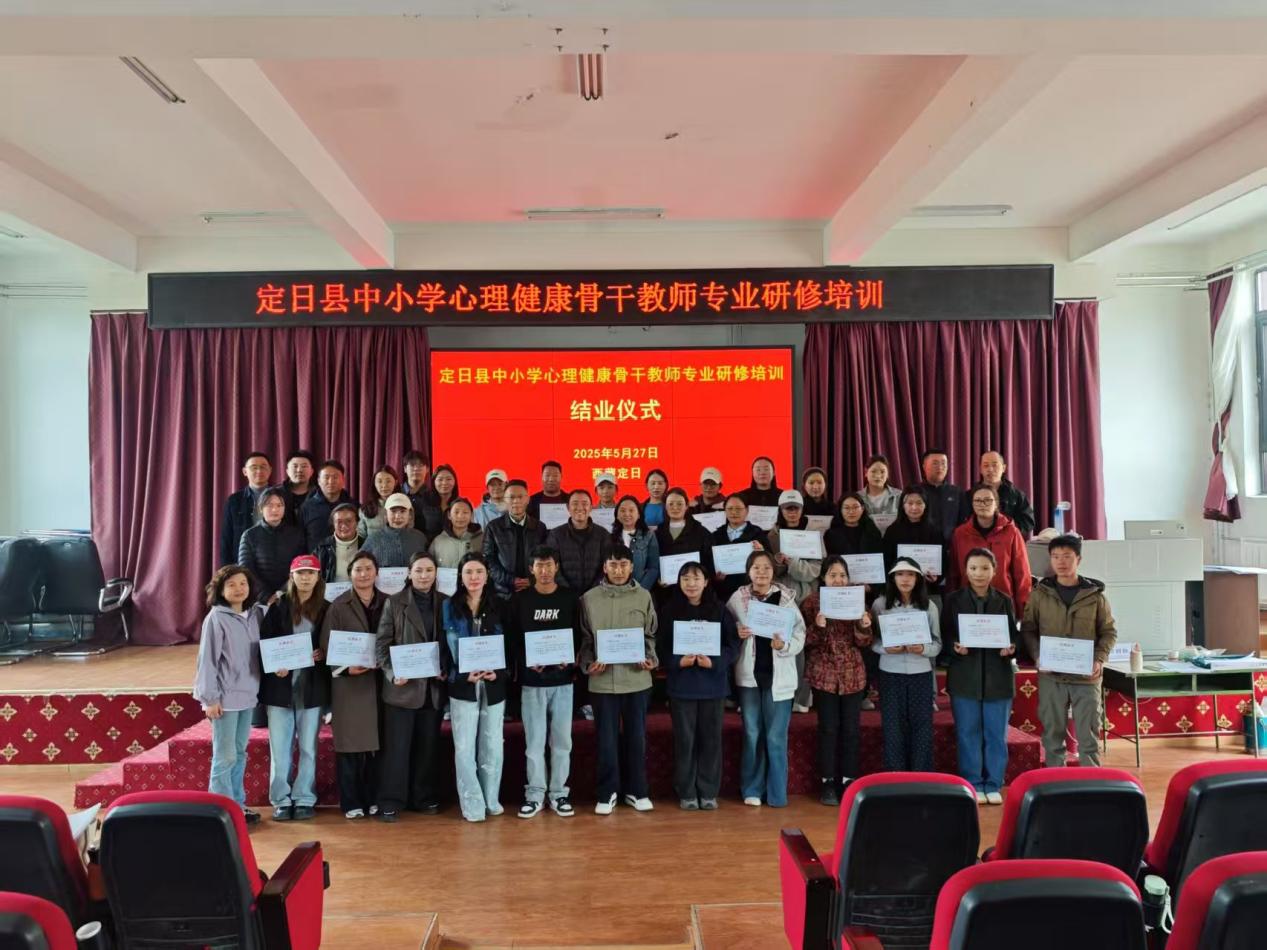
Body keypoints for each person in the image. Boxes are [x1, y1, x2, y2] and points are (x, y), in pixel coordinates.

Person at [1020, 534, 1117, 769]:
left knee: (1089, 736)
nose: (1061, 562)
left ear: (1078, 559)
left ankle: (1091, 782)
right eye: (1055, 557)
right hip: (1051, 676)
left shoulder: (1095, 596)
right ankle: (1056, 781)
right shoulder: (1039, 594)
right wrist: (1037, 656)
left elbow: (1109, 632)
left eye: (1067, 556)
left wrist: (1099, 659)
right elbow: (1029, 629)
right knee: (1052, 736)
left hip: (1086, 677)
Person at [578, 544, 658, 815]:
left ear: (632, 567)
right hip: (602, 681)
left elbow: (650, 635)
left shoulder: (644, 596)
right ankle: (607, 792)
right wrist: (588, 664)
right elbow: (586, 639)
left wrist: (650, 658)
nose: (619, 570)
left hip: (637, 679)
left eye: (624, 565)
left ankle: (637, 791)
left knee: (637, 738)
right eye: (613, 565)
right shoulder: (589, 598)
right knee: (606, 739)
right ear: (605, 567)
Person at [506, 545, 580, 819]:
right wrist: (527, 660)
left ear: (556, 567)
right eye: (539, 566)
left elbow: (578, 635)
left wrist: (569, 659)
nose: (545, 571)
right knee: (535, 743)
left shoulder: (570, 598)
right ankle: (535, 794)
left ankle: (559, 794)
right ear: (531, 569)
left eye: (549, 565)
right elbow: (513, 639)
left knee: (562, 742)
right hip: (532, 682)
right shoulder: (520, 600)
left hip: (563, 682)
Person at [728, 550, 805, 807]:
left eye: (766, 568)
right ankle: (752, 789)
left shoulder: (786, 599)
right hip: (749, 676)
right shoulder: (738, 598)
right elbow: (725, 629)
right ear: (748, 571)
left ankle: (776, 793)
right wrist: (736, 631)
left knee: (775, 736)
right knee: (752, 733)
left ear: (774, 571)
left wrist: (784, 646)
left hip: (779, 677)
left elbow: (800, 634)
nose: (761, 572)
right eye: (756, 568)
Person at [375, 551, 447, 820]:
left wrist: (446, 669)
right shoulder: (394, 603)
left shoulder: (446, 603)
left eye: (429, 570)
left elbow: (451, 643)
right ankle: (391, 800)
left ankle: (423, 798)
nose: (424, 575)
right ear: (409, 573)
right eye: (418, 570)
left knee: (427, 748)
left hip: (433, 689)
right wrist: (392, 672)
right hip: (402, 690)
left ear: (436, 573)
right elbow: (382, 644)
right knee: (397, 749)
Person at [661, 560, 738, 810]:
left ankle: (708, 791)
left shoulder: (720, 610)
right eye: (685, 579)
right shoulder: (669, 610)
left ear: (706, 582)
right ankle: (686, 792)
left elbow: (732, 646)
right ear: (679, 582)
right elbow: (660, 648)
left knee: (711, 741)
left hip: (713, 686)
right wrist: (677, 661)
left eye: (696, 578)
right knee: (685, 741)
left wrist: (714, 662)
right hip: (682, 686)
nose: (691, 584)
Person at [942, 547, 1016, 804]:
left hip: (998, 676)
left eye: (985, 568)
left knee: (996, 734)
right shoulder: (952, 600)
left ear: (995, 571)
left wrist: (1011, 647)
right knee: (967, 733)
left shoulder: (1004, 600)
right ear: (965, 570)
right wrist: (954, 646)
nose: (979, 573)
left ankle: (993, 783)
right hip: (965, 675)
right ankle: (973, 782)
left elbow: (1013, 635)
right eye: (973, 568)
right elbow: (945, 634)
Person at [194, 565, 265, 824]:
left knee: (240, 752)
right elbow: (207, 661)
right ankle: (219, 810)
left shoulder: (255, 615)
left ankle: (237, 805)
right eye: (231, 584)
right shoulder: (216, 618)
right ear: (221, 589)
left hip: (248, 695)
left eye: (243, 583)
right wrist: (209, 699)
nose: (238, 589)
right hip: (224, 698)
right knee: (225, 756)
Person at [259, 555, 328, 822]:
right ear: (292, 576)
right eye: (301, 573)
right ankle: (281, 799)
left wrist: (324, 652)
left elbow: (332, 641)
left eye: (311, 573)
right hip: (281, 687)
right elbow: (265, 642)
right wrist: (274, 665)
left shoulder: (326, 607)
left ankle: (304, 798)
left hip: (312, 687)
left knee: (309, 747)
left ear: (318, 577)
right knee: (280, 749)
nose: (305, 577)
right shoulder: (278, 607)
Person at [800, 557, 873, 805]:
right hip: (824, 673)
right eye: (832, 575)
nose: (838, 580)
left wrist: (863, 626)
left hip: (853, 673)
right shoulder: (811, 603)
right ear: (823, 578)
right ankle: (828, 782)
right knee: (828, 728)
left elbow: (865, 642)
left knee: (851, 729)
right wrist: (818, 626)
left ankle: (849, 780)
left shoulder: (857, 601)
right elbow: (803, 641)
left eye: (842, 575)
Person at [320, 549, 385, 819]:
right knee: (349, 747)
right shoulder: (338, 606)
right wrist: (346, 668)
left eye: (368, 568)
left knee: (377, 748)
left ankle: (375, 799)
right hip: (349, 686)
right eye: (358, 569)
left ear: (377, 573)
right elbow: (327, 644)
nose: (364, 574)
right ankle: (351, 802)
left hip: (381, 683)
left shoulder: (389, 602)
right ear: (350, 574)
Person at [443, 553, 508, 822]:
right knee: (464, 746)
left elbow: (511, 644)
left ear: (487, 575)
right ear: (460, 576)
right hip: (463, 684)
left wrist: (498, 672)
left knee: (492, 744)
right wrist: (460, 675)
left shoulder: (500, 604)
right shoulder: (448, 606)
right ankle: (472, 804)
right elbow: (443, 647)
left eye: (479, 571)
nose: (474, 577)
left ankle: (491, 800)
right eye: (468, 572)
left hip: (493, 683)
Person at [871, 557, 941, 771]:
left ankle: (920, 776)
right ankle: (896, 776)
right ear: (892, 578)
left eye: (910, 574)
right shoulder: (880, 604)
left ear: (918, 579)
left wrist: (923, 649)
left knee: (922, 727)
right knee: (892, 728)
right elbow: (872, 641)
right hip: (890, 673)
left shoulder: (929, 606)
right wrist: (886, 648)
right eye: (900, 574)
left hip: (920, 673)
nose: (905, 579)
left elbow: (937, 644)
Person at [946, 483, 1032, 615]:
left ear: (996, 504)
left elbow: (1022, 574)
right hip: (967, 603)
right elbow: (954, 573)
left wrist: (1023, 612)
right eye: (977, 501)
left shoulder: (1012, 532)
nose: (982, 504)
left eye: (987, 500)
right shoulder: (960, 533)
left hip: (1003, 603)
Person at [237, 487, 306, 602]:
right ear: (260, 509)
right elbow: (246, 569)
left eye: (279, 505)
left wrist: (281, 593)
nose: (275, 510)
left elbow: (300, 566)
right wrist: (266, 596)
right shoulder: (249, 535)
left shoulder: (296, 534)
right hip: (258, 599)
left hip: (290, 596)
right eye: (269, 505)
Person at [484, 479, 548, 597]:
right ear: (505, 500)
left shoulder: (540, 527)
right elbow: (489, 560)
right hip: (503, 593)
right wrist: (510, 580)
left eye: (520, 497)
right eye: (511, 497)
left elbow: (546, 558)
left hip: (533, 591)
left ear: (528, 499)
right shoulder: (493, 527)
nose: (516, 501)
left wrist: (533, 579)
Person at [881, 486, 945, 594]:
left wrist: (936, 578)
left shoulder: (935, 531)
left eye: (919, 503)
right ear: (903, 505)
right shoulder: (892, 531)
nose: (914, 507)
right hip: (898, 589)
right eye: (910, 503)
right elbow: (886, 562)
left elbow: (943, 561)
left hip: (927, 589)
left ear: (926, 505)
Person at [547, 488, 612, 593]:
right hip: (564, 594)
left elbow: (607, 566)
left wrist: (592, 592)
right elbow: (552, 566)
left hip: (597, 594)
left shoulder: (603, 534)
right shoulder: (556, 535)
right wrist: (568, 593)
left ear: (591, 508)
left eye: (585, 504)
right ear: (568, 507)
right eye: (575, 503)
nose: (580, 507)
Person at [709, 494, 769, 602]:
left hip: (752, 593)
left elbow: (770, 562)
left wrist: (762, 552)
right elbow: (709, 563)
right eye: (730, 508)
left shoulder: (757, 533)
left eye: (738, 509)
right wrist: (715, 577)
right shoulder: (715, 536)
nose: (734, 512)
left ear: (747, 510)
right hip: (722, 594)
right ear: (724, 511)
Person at [962, 451, 1035, 537]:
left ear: (1003, 468)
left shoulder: (1016, 495)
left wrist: (1007, 533)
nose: (990, 469)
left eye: (994, 465)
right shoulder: (970, 495)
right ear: (980, 469)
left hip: (1008, 541)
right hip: (976, 540)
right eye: (986, 465)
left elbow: (1028, 522)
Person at [767, 489, 821, 605]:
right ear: (781, 510)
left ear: (802, 509)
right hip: (781, 595)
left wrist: (793, 564)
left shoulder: (814, 533)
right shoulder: (772, 536)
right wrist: (779, 563)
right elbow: (770, 570)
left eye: (796, 508)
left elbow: (817, 567)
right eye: (788, 508)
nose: (792, 512)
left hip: (809, 595)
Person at [220, 451, 273, 566]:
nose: (259, 471)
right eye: (254, 467)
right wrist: (226, 568)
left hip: (273, 560)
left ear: (270, 470)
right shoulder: (234, 500)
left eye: (263, 467)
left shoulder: (281, 496)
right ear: (245, 471)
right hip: (242, 561)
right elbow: (226, 537)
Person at [300, 460, 357, 551]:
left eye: (335, 477)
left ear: (343, 480)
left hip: (347, 556)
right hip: (316, 557)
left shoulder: (354, 506)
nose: (331, 481)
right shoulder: (307, 507)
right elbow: (300, 540)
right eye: (326, 477)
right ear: (319, 481)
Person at [361, 493, 429, 568]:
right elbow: (360, 563)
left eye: (402, 511)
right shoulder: (373, 539)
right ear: (386, 514)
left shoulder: (420, 537)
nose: (397, 516)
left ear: (410, 515)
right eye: (393, 511)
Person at [610, 494, 660, 591]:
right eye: (622, 510)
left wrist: (640, 590)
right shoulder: (610, 538)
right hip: (615, 591)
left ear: (639, 515)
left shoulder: (649, 535)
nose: (627, 514)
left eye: (631, 510)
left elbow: (653, 568)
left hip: (641, 590)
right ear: (617, 515)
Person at [918, 448, 964, 543]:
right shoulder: (915, 492)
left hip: (951, 545)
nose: (940, 467)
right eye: (935, 463)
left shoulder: (957, 492)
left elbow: (963, 521)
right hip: (922, 545)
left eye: (943, 463)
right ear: (924, 466)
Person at [823, 493, 884, 558]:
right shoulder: (831, 535)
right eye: (847, 508)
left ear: (862, 509)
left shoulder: (872, 531)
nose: (851, 512)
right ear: (840, 510)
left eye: (855, 507)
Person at [429, 497, 484, 569]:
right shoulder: (438, 541)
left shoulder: (481, 539)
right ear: (449, 515)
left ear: (471, 515)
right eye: (456, 512)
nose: (460, 516)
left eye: (465, 512)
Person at [313, 502, 361, 583]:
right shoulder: (322, 548)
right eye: (339, 522)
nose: (344, 526)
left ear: (356, 523)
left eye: (349, 521)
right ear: (333, 524)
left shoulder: (367, 545)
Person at [858, 454, 902, 533]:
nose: (878, 476)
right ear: (866, 473)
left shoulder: (899, 495)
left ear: (887, 474)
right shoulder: (857, 497)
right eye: (873, 471)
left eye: (882, 472)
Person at [358, 465, 402, 540]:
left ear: (396, 482)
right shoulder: (366, 509)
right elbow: (361, 536)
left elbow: (409, 532)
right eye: (379, 481)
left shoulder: (404, 506)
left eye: (388, 481)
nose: (384, 486)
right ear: (374, 484)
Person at [417, 464, 459, 540]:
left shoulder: (460, 504)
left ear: (455, 481)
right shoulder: (424, 501)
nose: (444, 483)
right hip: (428, 545)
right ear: (434, 482)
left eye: (449, 479)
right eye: (440, 479)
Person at [277, 450, 317, 526]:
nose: (299, 470)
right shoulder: (276, 493)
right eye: (295, 466)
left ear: (312, 471)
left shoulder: (319, 494)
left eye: (304, 466)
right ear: (287, 471)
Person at [402, 450, 434, 534]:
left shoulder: (433, 496)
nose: (416, 469)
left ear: (427, 469)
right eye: (412, 465)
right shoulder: (396, 492)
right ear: (405, 469)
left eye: (420, 465)